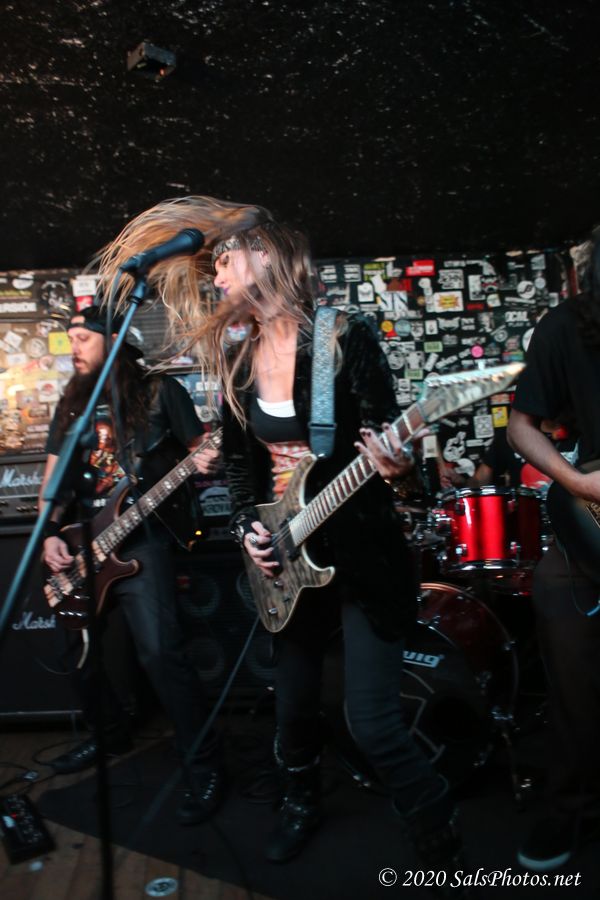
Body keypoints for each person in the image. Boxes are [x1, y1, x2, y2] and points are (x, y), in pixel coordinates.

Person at [97, 196, 468, 883]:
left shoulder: (344, 338)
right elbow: (242, 471)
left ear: (264, 254)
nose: (216, 276)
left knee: (374, 722)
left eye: (225, 260)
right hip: (287, 561)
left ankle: (439, 841)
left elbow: (401, 467)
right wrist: (249, 531)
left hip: (363, 557)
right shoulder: (237, 362)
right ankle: (300, 803)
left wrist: (399, 468)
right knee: (292, 711)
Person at [39, 305, 224, 826]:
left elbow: (203, 450)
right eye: (69, 337)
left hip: (142, 543)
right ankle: (110, 734)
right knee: (75, 652)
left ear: (115, 339)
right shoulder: (73, 402)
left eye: (83, 337)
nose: (73, 346)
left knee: (162, 653)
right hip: (81, 544)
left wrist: (208, 456)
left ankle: (205, 763)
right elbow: (53, 482)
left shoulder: (161, 392)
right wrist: (50, 533)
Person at [507, 232, 600, 872]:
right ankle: (570, 807)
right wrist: (575, 483)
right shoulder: (568, 325)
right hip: (591, 516)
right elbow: (521, 426)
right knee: (571, 668)